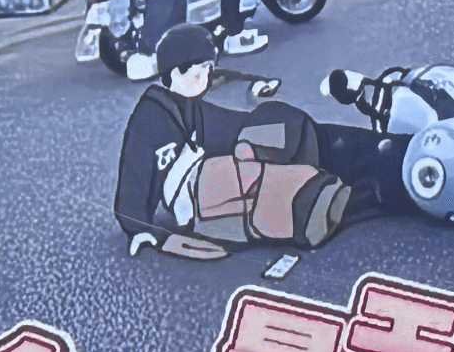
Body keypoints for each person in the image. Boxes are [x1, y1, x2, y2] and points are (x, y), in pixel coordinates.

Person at [113, 25, 350, 259]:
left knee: (269, 139)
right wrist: (141, 229)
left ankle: (315, 187)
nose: (207, 77)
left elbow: (230, 115)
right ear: (176, 72)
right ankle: (308, 204)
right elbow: (135, 175)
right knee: (249, 184)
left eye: (208, 69)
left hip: (207, 173)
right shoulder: (152, 115)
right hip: (192, 193)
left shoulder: (192, 106)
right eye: (201, 71)